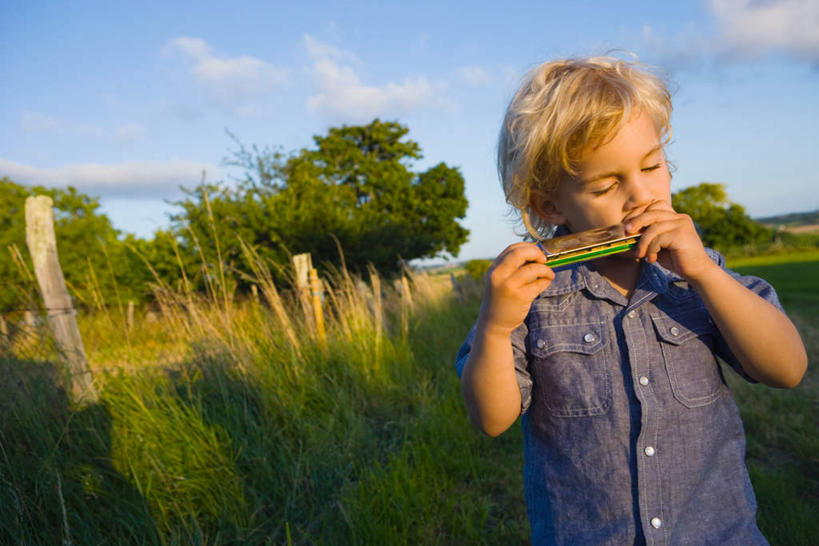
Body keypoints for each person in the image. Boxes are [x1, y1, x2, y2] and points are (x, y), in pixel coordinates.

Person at [454, 55, 807, 545]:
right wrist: (495, 327)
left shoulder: (697, 276)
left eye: (652, 166)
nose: (642, 195)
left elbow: (787, 370)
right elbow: (492, 419)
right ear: (549, 205)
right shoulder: (531, 298)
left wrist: (705, 273)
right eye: (606, 185)